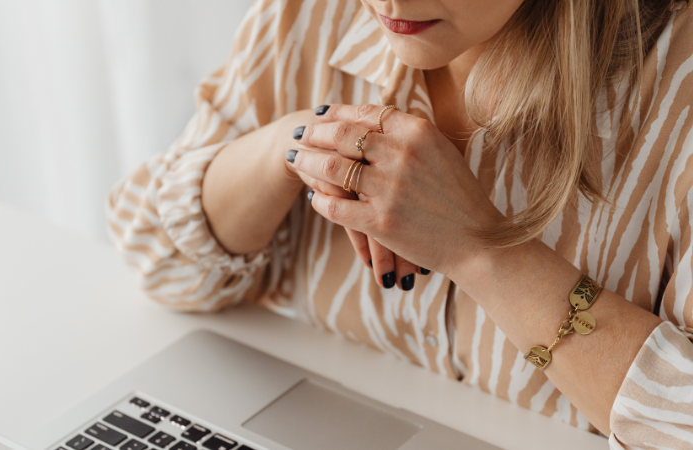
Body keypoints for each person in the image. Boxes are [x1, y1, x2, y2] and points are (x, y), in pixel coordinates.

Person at [106, 0, 693, 447]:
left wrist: (480, 253)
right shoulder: (316, 14)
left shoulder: (676, 93)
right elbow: (157, 261)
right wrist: (299, 146)